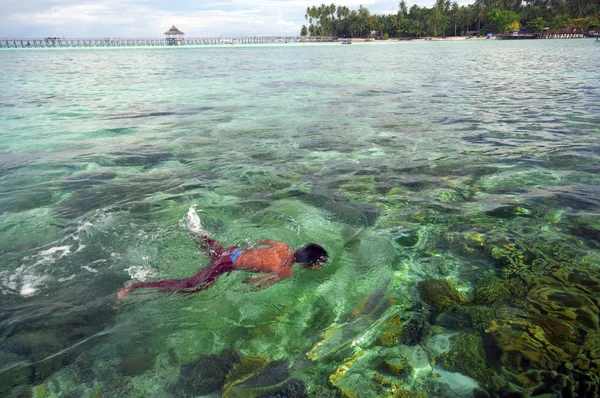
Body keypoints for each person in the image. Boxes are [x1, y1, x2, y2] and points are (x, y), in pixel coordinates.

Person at [117, 218, 327, 300]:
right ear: (310, 264)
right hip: (227, 264)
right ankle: (136, 286)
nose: (319, 267)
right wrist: (247, 285)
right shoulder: (286, 271)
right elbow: (256, 284)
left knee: (215, 248)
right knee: (191, 286)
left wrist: (250, 253)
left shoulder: (283, 247)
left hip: (234, 252)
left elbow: (263, 241)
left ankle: (194, 229)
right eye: (319, 264)